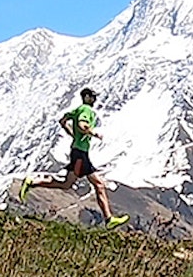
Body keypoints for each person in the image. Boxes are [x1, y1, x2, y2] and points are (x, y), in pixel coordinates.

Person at [19, 87, 129, 229]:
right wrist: (92, 133)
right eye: (93, 97)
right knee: (98, 185)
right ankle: (109, 219)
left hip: (78, 152)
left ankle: (32, 182)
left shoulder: (76, 110)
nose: (95, 99)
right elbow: (82, 124)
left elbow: (62, 121)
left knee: (67, 184)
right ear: (87, 97)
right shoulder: (86, 110)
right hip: (81, 154)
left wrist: (73, 134)